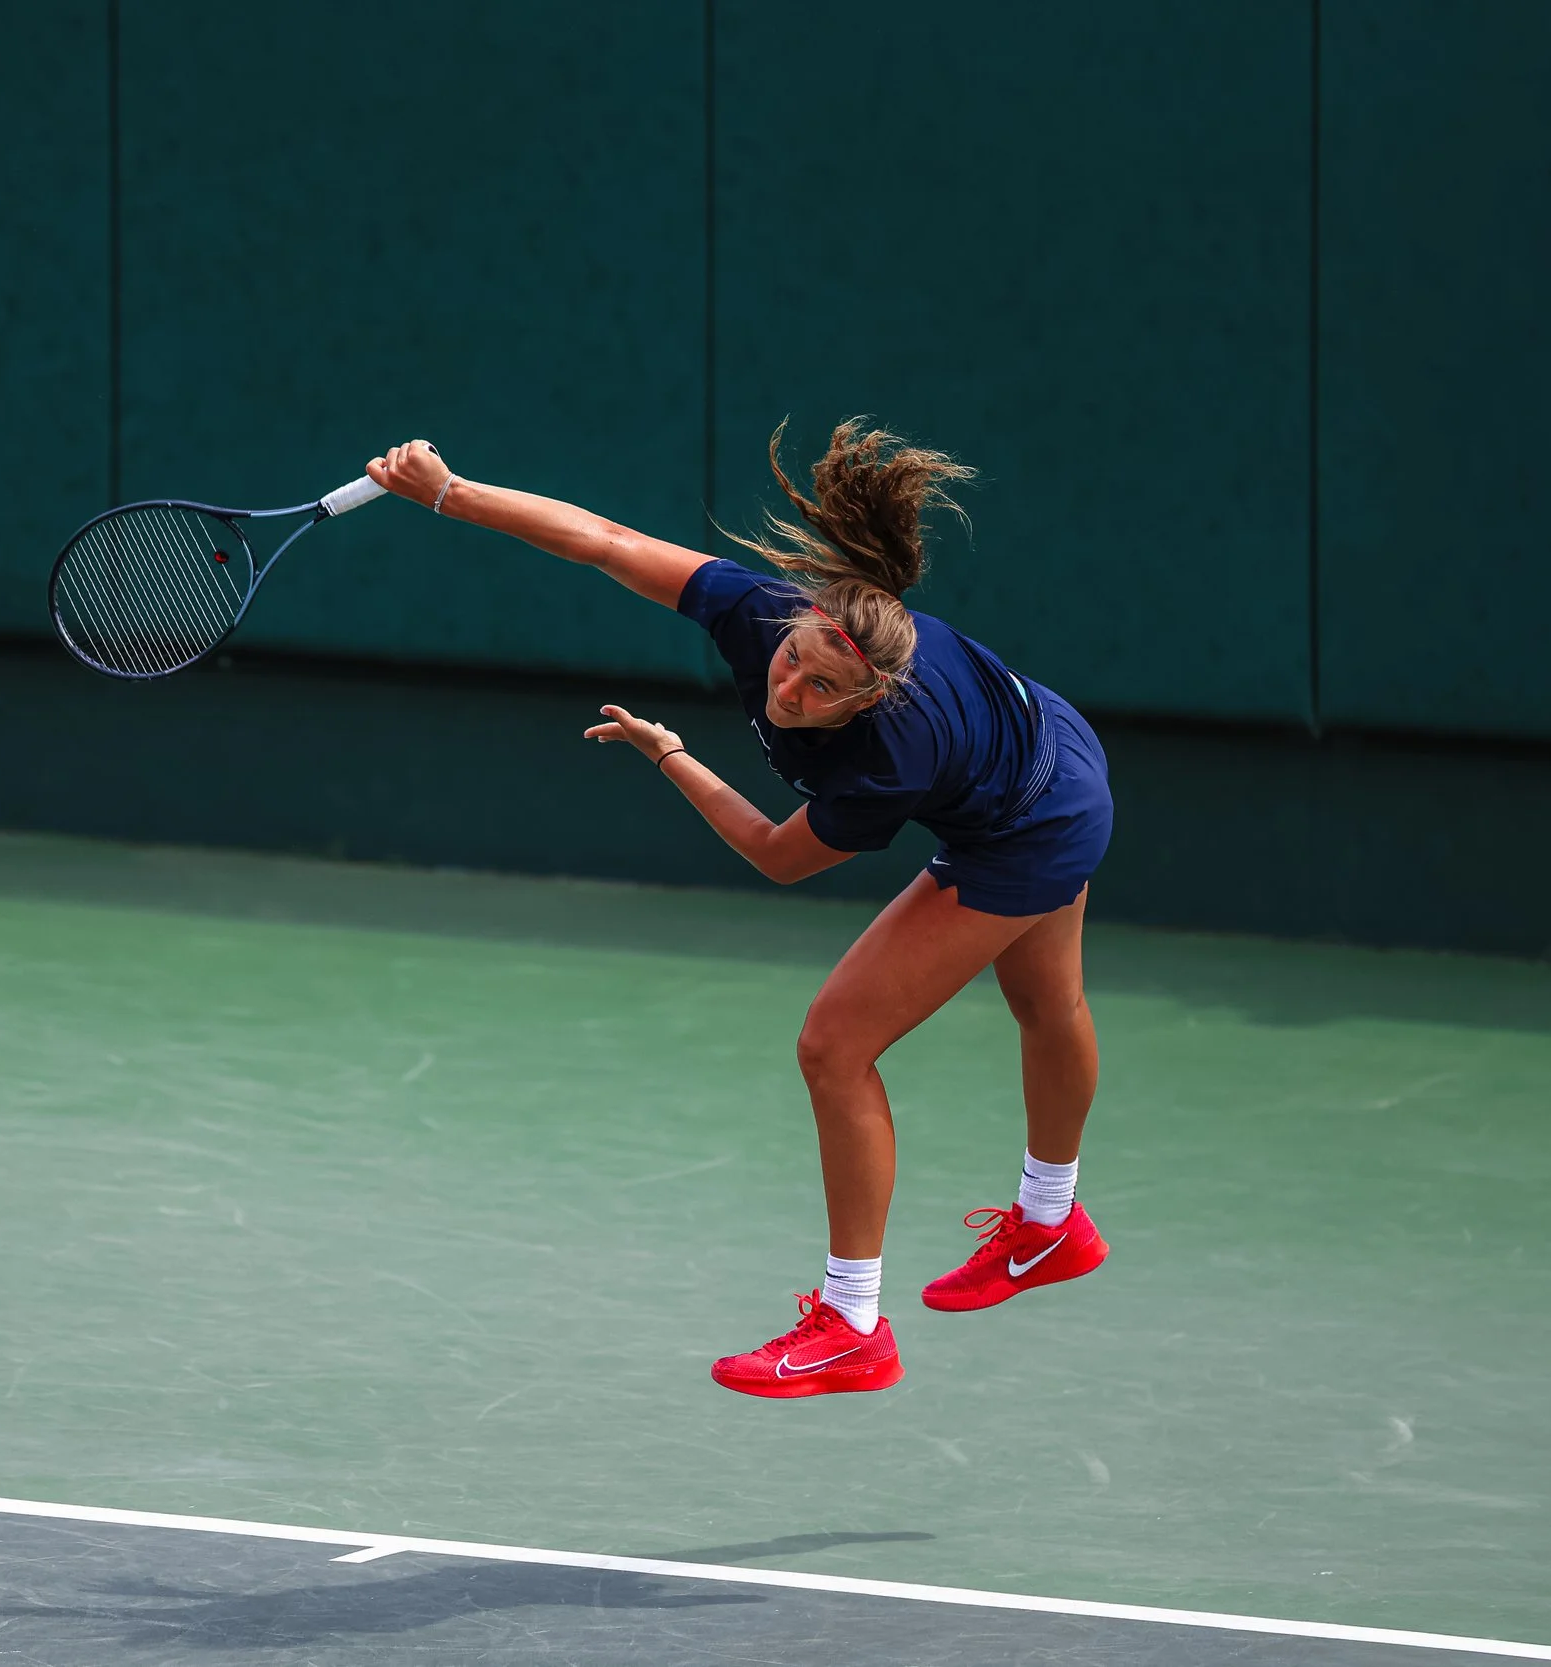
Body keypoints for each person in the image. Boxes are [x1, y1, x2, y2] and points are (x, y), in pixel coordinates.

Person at [364, 422, 1114, 1399]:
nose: (790, 686)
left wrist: (670, 754)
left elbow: (776, 854)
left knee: (834, 1044)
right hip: (1038, 744)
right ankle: (1051, 1224)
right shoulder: (765, 612)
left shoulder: (891, 751)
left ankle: (852, 1324)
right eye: (793, 659)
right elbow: (604, 540)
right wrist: (449, 492)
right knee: (1043, 1001)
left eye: (821, 688)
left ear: (869, 697)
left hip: (1034, 815)